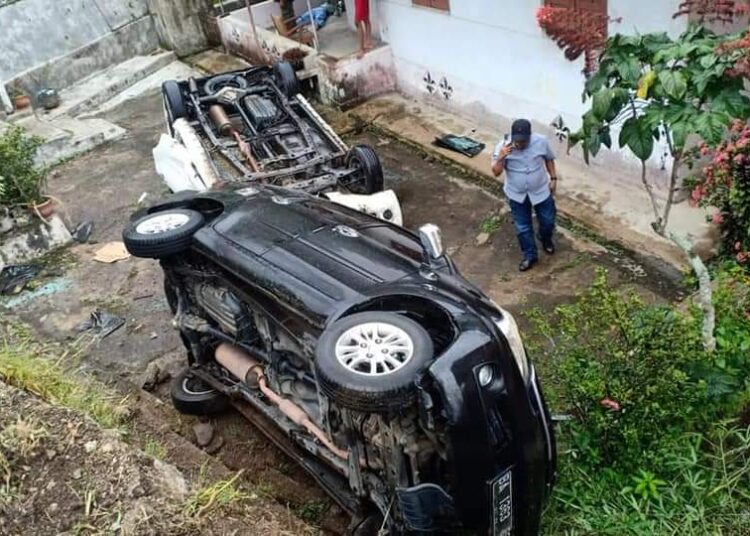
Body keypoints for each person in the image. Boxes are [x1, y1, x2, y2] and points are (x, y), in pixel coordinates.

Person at [491, 119, 558, 272]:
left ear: (530, 136)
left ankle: (545, 238)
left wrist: (553, 179)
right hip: (516, 193)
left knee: (548, 220)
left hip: (540, 189)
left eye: (524, 141)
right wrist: (501, 157)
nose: (520, 144)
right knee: (523, 227)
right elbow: (496, 172)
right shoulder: (503, 147)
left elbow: (549, 159)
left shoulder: (541, 142)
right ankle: (530, 255)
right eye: (517, 141)